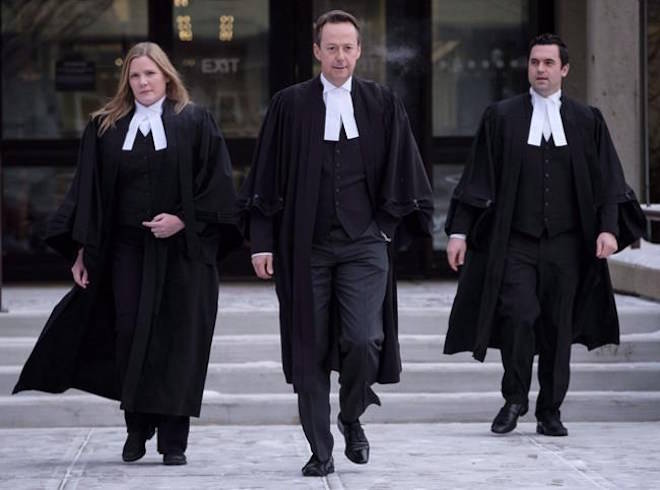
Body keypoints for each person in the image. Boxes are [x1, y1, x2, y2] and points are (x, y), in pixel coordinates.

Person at [13, 42, 241, 465]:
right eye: (135, 76)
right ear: (126, 81)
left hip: (181, 254)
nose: (143, 83)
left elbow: (218, 187)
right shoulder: (106, 127)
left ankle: (173, 441)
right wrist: (81, 249)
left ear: (167, 77)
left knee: (177, 341)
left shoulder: (194, 122)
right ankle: (137, 427)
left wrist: (183, 222)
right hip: (125, 251)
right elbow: (87, 192)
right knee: (130, 335)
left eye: (150, 74)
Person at [238, 10, 433, 477]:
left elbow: (405, 171)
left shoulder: (382, 103)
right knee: (309, 348)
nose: (340, 56)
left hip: (365, 243)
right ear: (316, 52)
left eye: (348, 47)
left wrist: (385, 226)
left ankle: (351, 414)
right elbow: (263, 177)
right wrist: (261, 242)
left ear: (359, 51)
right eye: (331, 47)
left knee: (364, 340)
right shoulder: (290, 105)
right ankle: (320, 449)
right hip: (304, 246)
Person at [444, 33, 646, 437]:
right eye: (535, 62)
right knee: (518, 316)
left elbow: (609, 181)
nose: (540, 69)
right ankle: (514, 397)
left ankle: (550, 410)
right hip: (515, 241)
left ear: (564, 69)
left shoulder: (587, 120)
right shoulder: (501, 117)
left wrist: (608, 227)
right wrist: (460, 232)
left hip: (568, 244)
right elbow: (478, 178)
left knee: (558, 326)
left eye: (549, 63)